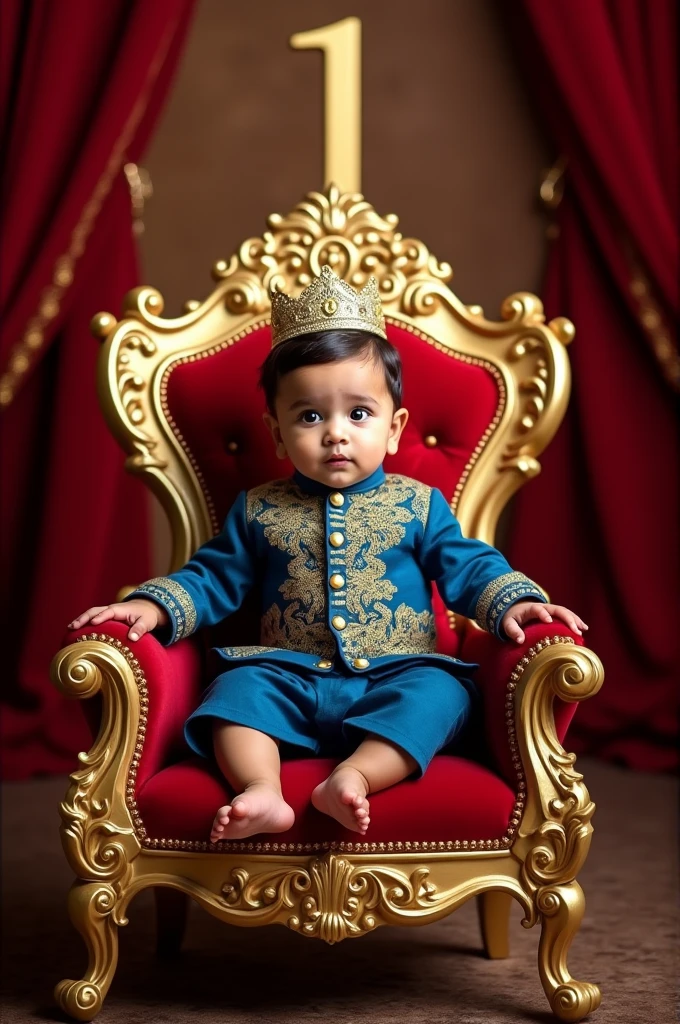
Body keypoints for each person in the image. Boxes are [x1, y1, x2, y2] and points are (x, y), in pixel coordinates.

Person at [69, 265, 587, 844]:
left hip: (397, 673)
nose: (335, 433)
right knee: (233, 696)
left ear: (395, 428)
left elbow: (467, 564)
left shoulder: (418, 505)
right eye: (310, 415)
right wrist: (156, 608)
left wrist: (512, 602)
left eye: (358, 414)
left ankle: (355, 776)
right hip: (287, 676)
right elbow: (213, 577)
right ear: (276, 431)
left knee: (441, 695)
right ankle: (261, 790)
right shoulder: (258, 509)